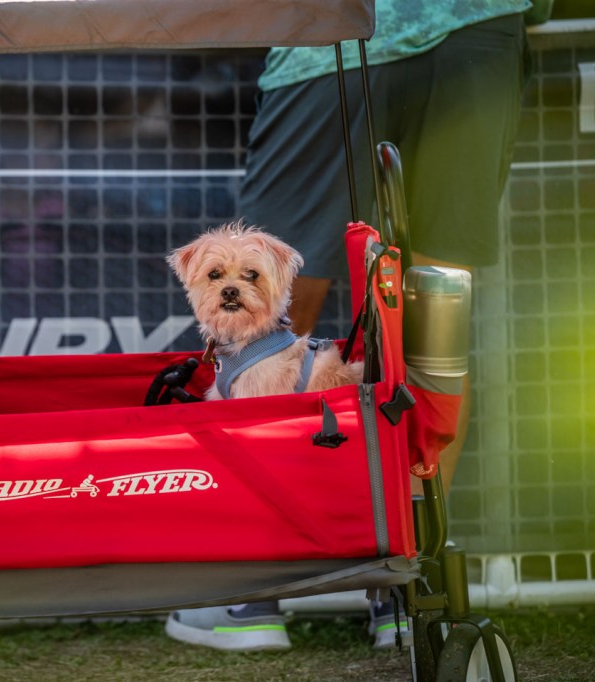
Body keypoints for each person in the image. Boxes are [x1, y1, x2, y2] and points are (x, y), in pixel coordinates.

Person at [165, 0, 534, 652]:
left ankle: (259, 593)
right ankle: (404, 592)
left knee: (270, 311)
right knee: (431, 315)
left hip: (331, 28)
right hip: (477, 24)